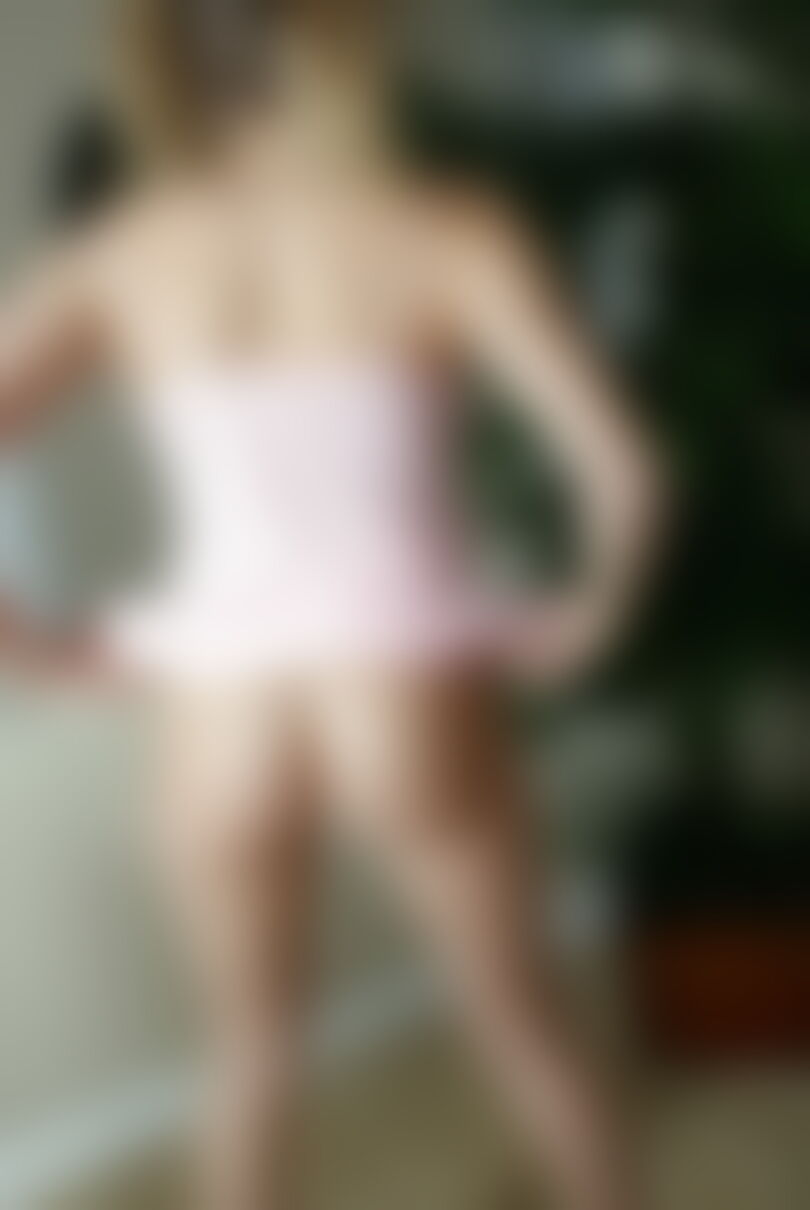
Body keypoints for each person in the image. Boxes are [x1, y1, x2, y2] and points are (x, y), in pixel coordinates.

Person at [0, 2, 663, 1207]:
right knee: (525, 1023)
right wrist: (591, 612)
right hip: (401, 682)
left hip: (222, 709)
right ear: (344, 45)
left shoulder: (118, 254)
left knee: (248, 1059)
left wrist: (33, 649)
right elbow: (624, 474)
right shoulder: (450, 227)